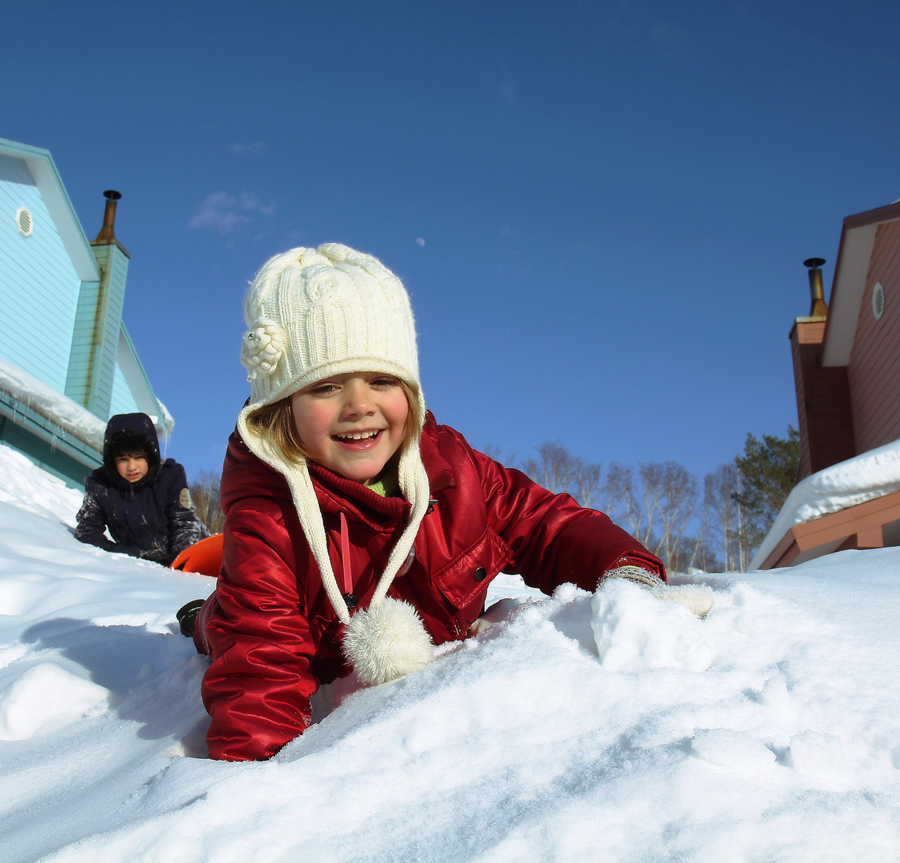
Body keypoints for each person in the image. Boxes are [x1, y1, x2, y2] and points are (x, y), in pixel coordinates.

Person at [189, 243, 667, 762]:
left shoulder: (453, 472)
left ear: (411, 394)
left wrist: (628, 575)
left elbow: (546, 522)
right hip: (275, 620)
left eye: (381, 380)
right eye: (325, 387)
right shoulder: (270, 514)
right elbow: (260, 657)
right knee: (226, 620)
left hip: (420, 636)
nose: (359, 406)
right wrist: (254, 774)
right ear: (283, 409)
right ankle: (198, 615)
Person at [75, 412, 209, 566]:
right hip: (146, 562)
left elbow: (184, 523)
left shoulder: (170, 476)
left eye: (139, 457)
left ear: (151, 456)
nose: (132, 467)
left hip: (193, 552)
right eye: (123, 459)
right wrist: (121, 551)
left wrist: (180, 565)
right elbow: (87, 531)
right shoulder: (100, 485)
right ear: (112, 460)